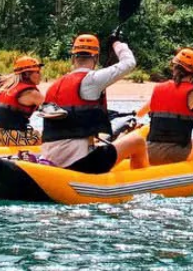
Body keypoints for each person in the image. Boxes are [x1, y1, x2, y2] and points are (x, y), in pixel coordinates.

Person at [39, 32, 146, 174]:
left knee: (104, 141)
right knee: (137, 141)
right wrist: (117, 43)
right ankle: (142, 179)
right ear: (95, 58)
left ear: (73, 58)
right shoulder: (92, 79)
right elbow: (129, 63)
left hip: (50, 158)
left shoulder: (54, 86)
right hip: (81, 163)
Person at [120, 47, 193, 167]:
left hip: (150, 153)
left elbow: (140, 113)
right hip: (177, 155)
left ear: (174, 67)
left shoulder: (158, 89)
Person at [0, 56, 44, 147]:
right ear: (26, 74)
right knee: (52, 137)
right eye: (37, 72)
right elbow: (55, 110)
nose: (40, 75)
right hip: (14, 138)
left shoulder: (7, 88)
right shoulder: (32, 93)